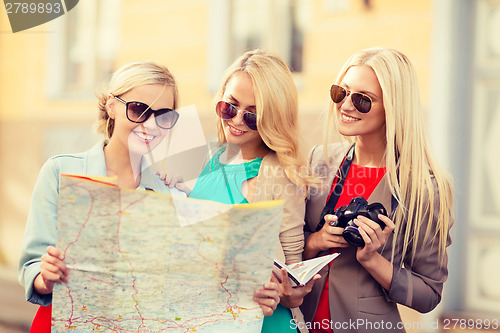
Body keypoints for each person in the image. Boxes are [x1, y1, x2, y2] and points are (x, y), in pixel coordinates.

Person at [18, 60, 278, 332]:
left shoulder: (172, 193)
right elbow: (32, 265)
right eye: (139, 109)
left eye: (164, 115)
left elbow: (192, 281)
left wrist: (252, 297)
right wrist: (44, 277)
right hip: (66, 323)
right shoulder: (61, 171)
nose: (151, 125)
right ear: (111, 106)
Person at [300, 47, 454, 333]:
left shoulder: (424, 188)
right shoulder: (318, 161)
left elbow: (429, 294)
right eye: (341, 93)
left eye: (363, 100)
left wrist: (373, 261)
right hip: (300, 324)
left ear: (394, 108)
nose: (346, 106)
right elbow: (288, 248)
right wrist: (315, 242)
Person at [165, 49, 319, 333]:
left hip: (262, 323)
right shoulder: (210, 157)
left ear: (273, 118)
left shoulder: (280, 173)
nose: (236, 120)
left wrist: (286, 290)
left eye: (252, 116)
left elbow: (294, 274)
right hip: (208, 318)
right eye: (230, 106)